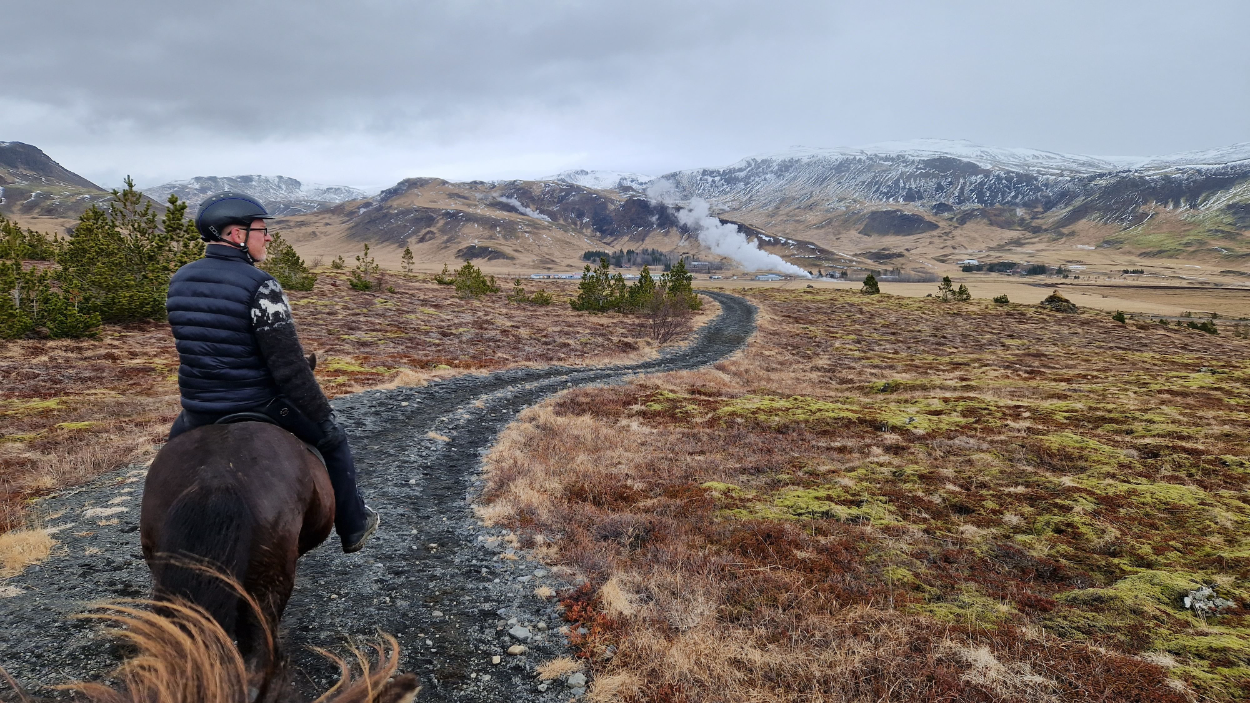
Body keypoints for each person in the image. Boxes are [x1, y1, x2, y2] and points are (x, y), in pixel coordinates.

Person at [164, 192, 378, 552]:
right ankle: (354, 524)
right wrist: (322, 413)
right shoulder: (260, 285)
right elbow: (289, 367)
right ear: (236, 235)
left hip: (198, 408)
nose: (269, 237)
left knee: (170, 465)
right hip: (258, 404)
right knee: (334, 439)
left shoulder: (179, 280)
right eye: (262, 230)